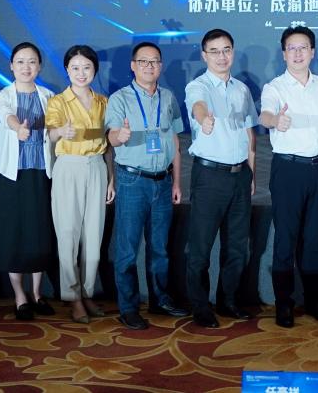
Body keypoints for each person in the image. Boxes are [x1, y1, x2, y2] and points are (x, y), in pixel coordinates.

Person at [259, 25, 318, 328]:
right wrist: (275, 121)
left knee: (313, 238)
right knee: (286, 239)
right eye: (291, 48)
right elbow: (265, 116)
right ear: (283, 54)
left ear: (312, 52)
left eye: (302, 47)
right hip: (288, 170)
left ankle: (314, 301)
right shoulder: (274, 87)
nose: (297, 53)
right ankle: (284, 304)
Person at [105, 41, 189, 330]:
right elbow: (111, 137)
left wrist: (177, 181)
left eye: (154, 61)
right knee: (127, 249)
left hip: (163, 181)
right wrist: (120, 136)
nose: (149, 66)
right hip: (132, 180)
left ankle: (160, 300)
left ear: (160, 66)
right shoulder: (119, 99)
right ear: (133, 66)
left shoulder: (169, 97)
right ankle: (128, 308)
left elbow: (175, 140)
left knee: (159, 248)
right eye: (143, 61)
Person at [184, 28, 258, 327]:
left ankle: (228, 301)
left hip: (240, 175)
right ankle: (201, 306)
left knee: (237, 246)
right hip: (210, 176)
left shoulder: (242, 89)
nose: (221, 56)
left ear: (233, 52)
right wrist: (205, 119)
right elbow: (198, 106)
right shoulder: (197, 86)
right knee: (201, 247)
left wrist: (251, 173)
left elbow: (249, 134)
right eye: (214, 51)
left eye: (226, 49)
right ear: (204, 55)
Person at [46, 44, 115, 323]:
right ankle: (73, 297)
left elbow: (108, 143)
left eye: (86, 67)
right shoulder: (58, 102)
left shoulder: (104, 102)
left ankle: (87, 292)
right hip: (68, 168)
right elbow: (51, 133)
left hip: (97, 167)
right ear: (67, 70)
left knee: (94, 237)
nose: (81, 73)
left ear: (95, 69)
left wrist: (111, 177)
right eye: (75, 68)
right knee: (68, 233)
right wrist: (60, 131)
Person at [0, 42, 57, 319]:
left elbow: (54, 131)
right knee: (14, 233)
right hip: (14, 174)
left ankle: (38, 293)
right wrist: (18, 127)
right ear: (11, 66)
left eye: (32, 62)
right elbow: (5, 115)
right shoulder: (1, 95)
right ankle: (20, 295)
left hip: (41, 172)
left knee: (39, 232)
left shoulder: (49, 97)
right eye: (20, 62)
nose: (26, 67)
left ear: (39, 66)